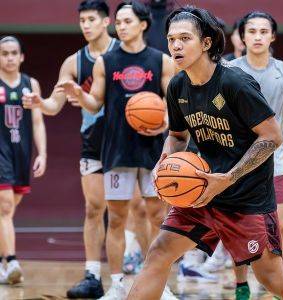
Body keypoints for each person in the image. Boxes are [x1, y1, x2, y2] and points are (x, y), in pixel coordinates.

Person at [128, 6, 283, 300]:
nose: (176, 45)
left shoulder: (235, 82)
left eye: (184, 38)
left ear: (206, 42)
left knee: (273, 280)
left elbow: (272, 137)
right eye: (171, 39)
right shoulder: (178, 85)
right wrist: (164, 162)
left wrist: (228, 178)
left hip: (247, 198)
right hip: (202, 189)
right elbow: (178, 136)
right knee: (159, 252)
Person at [60, 1, 175, 299]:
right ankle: (117, 285)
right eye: (118, 22)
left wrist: (163, 120)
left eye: (127, 21)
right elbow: (95, 103)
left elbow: (175, 107)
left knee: (157, 218)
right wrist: (79, 95)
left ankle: (159, 285)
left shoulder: (161, 61)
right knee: (117, 219)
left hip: (152, 151)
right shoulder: (106, 62)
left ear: (143, 24)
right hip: (117, 149)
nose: (120, 27)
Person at [22, 1, 120, 297]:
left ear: (106, 22)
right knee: (94, 209)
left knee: (129, 211)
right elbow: (55, 104)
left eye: (91, 19)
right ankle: (92, 275)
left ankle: (129, 274)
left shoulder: (124, 53)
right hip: (93, 140)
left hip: (127, 141)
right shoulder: (73, 62)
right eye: (82, 20)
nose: (86, 25)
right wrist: (41, 104)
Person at [229, 12, 283, 299]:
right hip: (237, 162)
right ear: (242, 36)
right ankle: (241, 285)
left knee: (280, 224)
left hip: (274, 161)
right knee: (240, 229)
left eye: (263, 31)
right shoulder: (228, 70)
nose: (257, 36)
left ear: (272, 37)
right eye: (251, 31)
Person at [0, 36, 47, 285]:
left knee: (6, 211)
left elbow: (38, 121)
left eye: (13, 53)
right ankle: (12, 260)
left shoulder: (31, 84)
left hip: (21, 152)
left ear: (21, 57)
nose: (8, 57)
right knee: (5, 207)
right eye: (4, 53)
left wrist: (43, 153)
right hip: (0, 154)